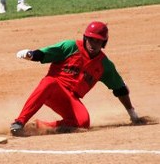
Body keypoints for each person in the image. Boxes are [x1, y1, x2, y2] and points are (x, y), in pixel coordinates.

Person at [10, 21, 141, 136]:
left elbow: (120, 89)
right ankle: (19, 122)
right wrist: (30, 54)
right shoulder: (70, 46)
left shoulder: (104, 65)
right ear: (85, 38)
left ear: (103, 43)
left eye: (98, 41)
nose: (93, 44)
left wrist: (132, 114)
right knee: (49, 82)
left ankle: (40, 126)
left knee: (83, 123)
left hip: (71, 99)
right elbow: (45, 54)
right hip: (54, 89)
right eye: (91, 39)